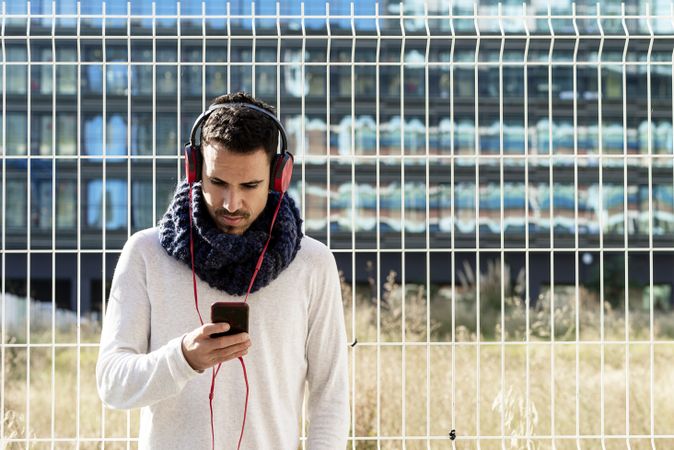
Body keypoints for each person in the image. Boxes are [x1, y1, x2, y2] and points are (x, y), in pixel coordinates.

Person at [96, 92, 350, 449]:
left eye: (249, 186)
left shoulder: (313, 263)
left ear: (279, 177)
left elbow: (331, 396)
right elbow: (112, 384)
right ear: (195, 169)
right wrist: (182, 358)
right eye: (218, 183)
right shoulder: (146, 254)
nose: (232, 203)